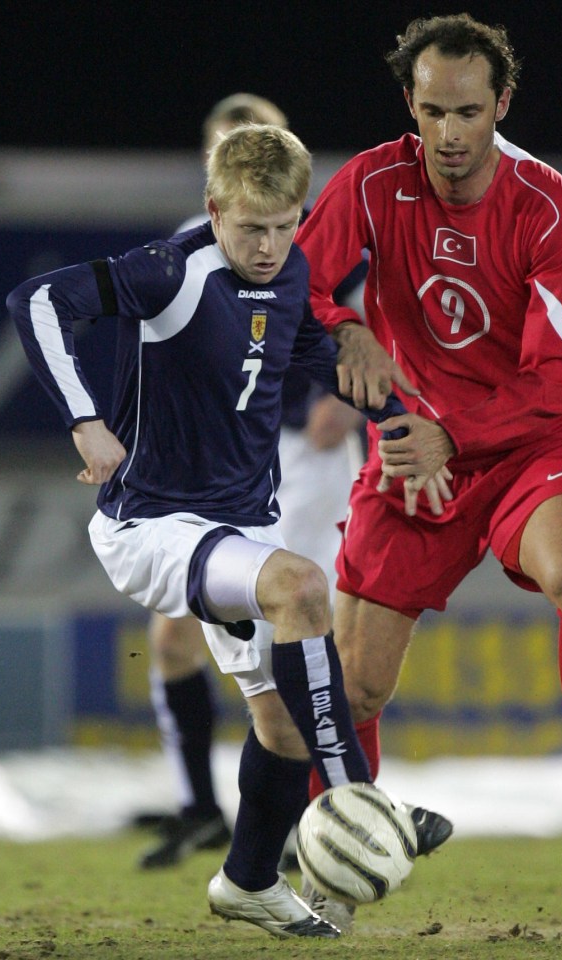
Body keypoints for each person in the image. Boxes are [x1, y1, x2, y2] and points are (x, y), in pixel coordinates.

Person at [8, 122, 449, 940]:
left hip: (239, 523)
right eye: (252, 227)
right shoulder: (171, 270)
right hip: (152, 524)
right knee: (302, 588)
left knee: (280, 725)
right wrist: (84, 420)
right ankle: (360, 797)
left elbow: (325, 358)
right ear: (215, 211)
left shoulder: (294, 274)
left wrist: (405, 419)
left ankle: (247, 880)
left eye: (287, 225)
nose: (271, 245)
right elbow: (35, 300)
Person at [295, 11, 562, 915]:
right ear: (411, 105)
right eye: (432, 112)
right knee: (354, 685)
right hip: (411, 455)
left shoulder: (550, 208)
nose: (450, 133)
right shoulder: (372, 182)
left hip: (523, 447)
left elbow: (560, 380)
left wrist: (452, 434)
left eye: (468, 112)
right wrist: (345, 328)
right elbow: (296, 284)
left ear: (501, 103)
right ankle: (339, 852)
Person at [137, 93, 365, 872]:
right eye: (229, 151)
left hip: (302, 459)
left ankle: (314, 821)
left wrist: (347, 394)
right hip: (220, 470)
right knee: (178, 637)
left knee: (300, 634)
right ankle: (209, 809)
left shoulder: (323, 237)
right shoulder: (180, 254)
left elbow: (367, 318)